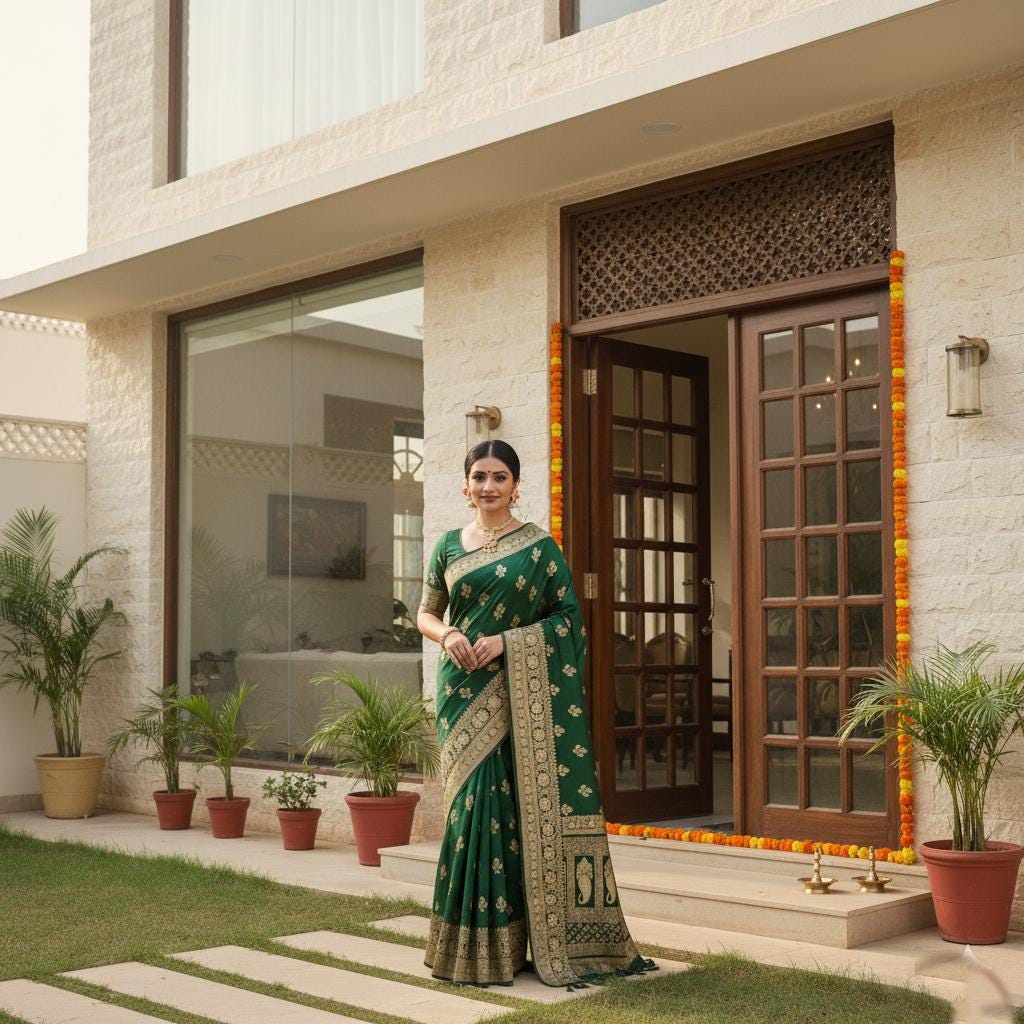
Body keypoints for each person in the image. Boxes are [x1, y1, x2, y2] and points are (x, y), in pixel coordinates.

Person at [416, 440, 654, 988]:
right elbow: (426, 613)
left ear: (515, 485)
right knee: (468, 811)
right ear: (465, 484)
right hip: (461, 690)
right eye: (480, 476)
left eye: (500, 477)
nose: (489, 486)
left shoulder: (540, 548)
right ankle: (465, 947)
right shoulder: (450, 546)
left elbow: (568, 621)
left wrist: (504, 643)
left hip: (516, 689)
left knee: (510, 812)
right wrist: (450, 633)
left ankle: (515, 943)